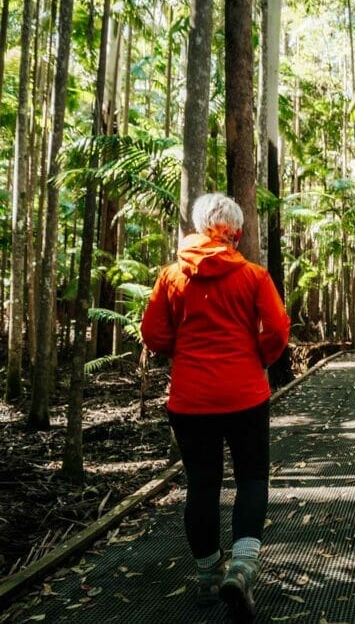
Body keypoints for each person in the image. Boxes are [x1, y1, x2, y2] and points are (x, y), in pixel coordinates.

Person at [141, 193, 289, 622]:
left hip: (190, 400)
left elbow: (153, 333)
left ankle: (208, 576)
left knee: (202, 485)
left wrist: (182, 354)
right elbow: (277, 330)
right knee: (252, 477)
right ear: (235, 233)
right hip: (245, 395)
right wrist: (259, 358)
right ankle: (242, 566)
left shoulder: (171, 276)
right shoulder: (253, 276)